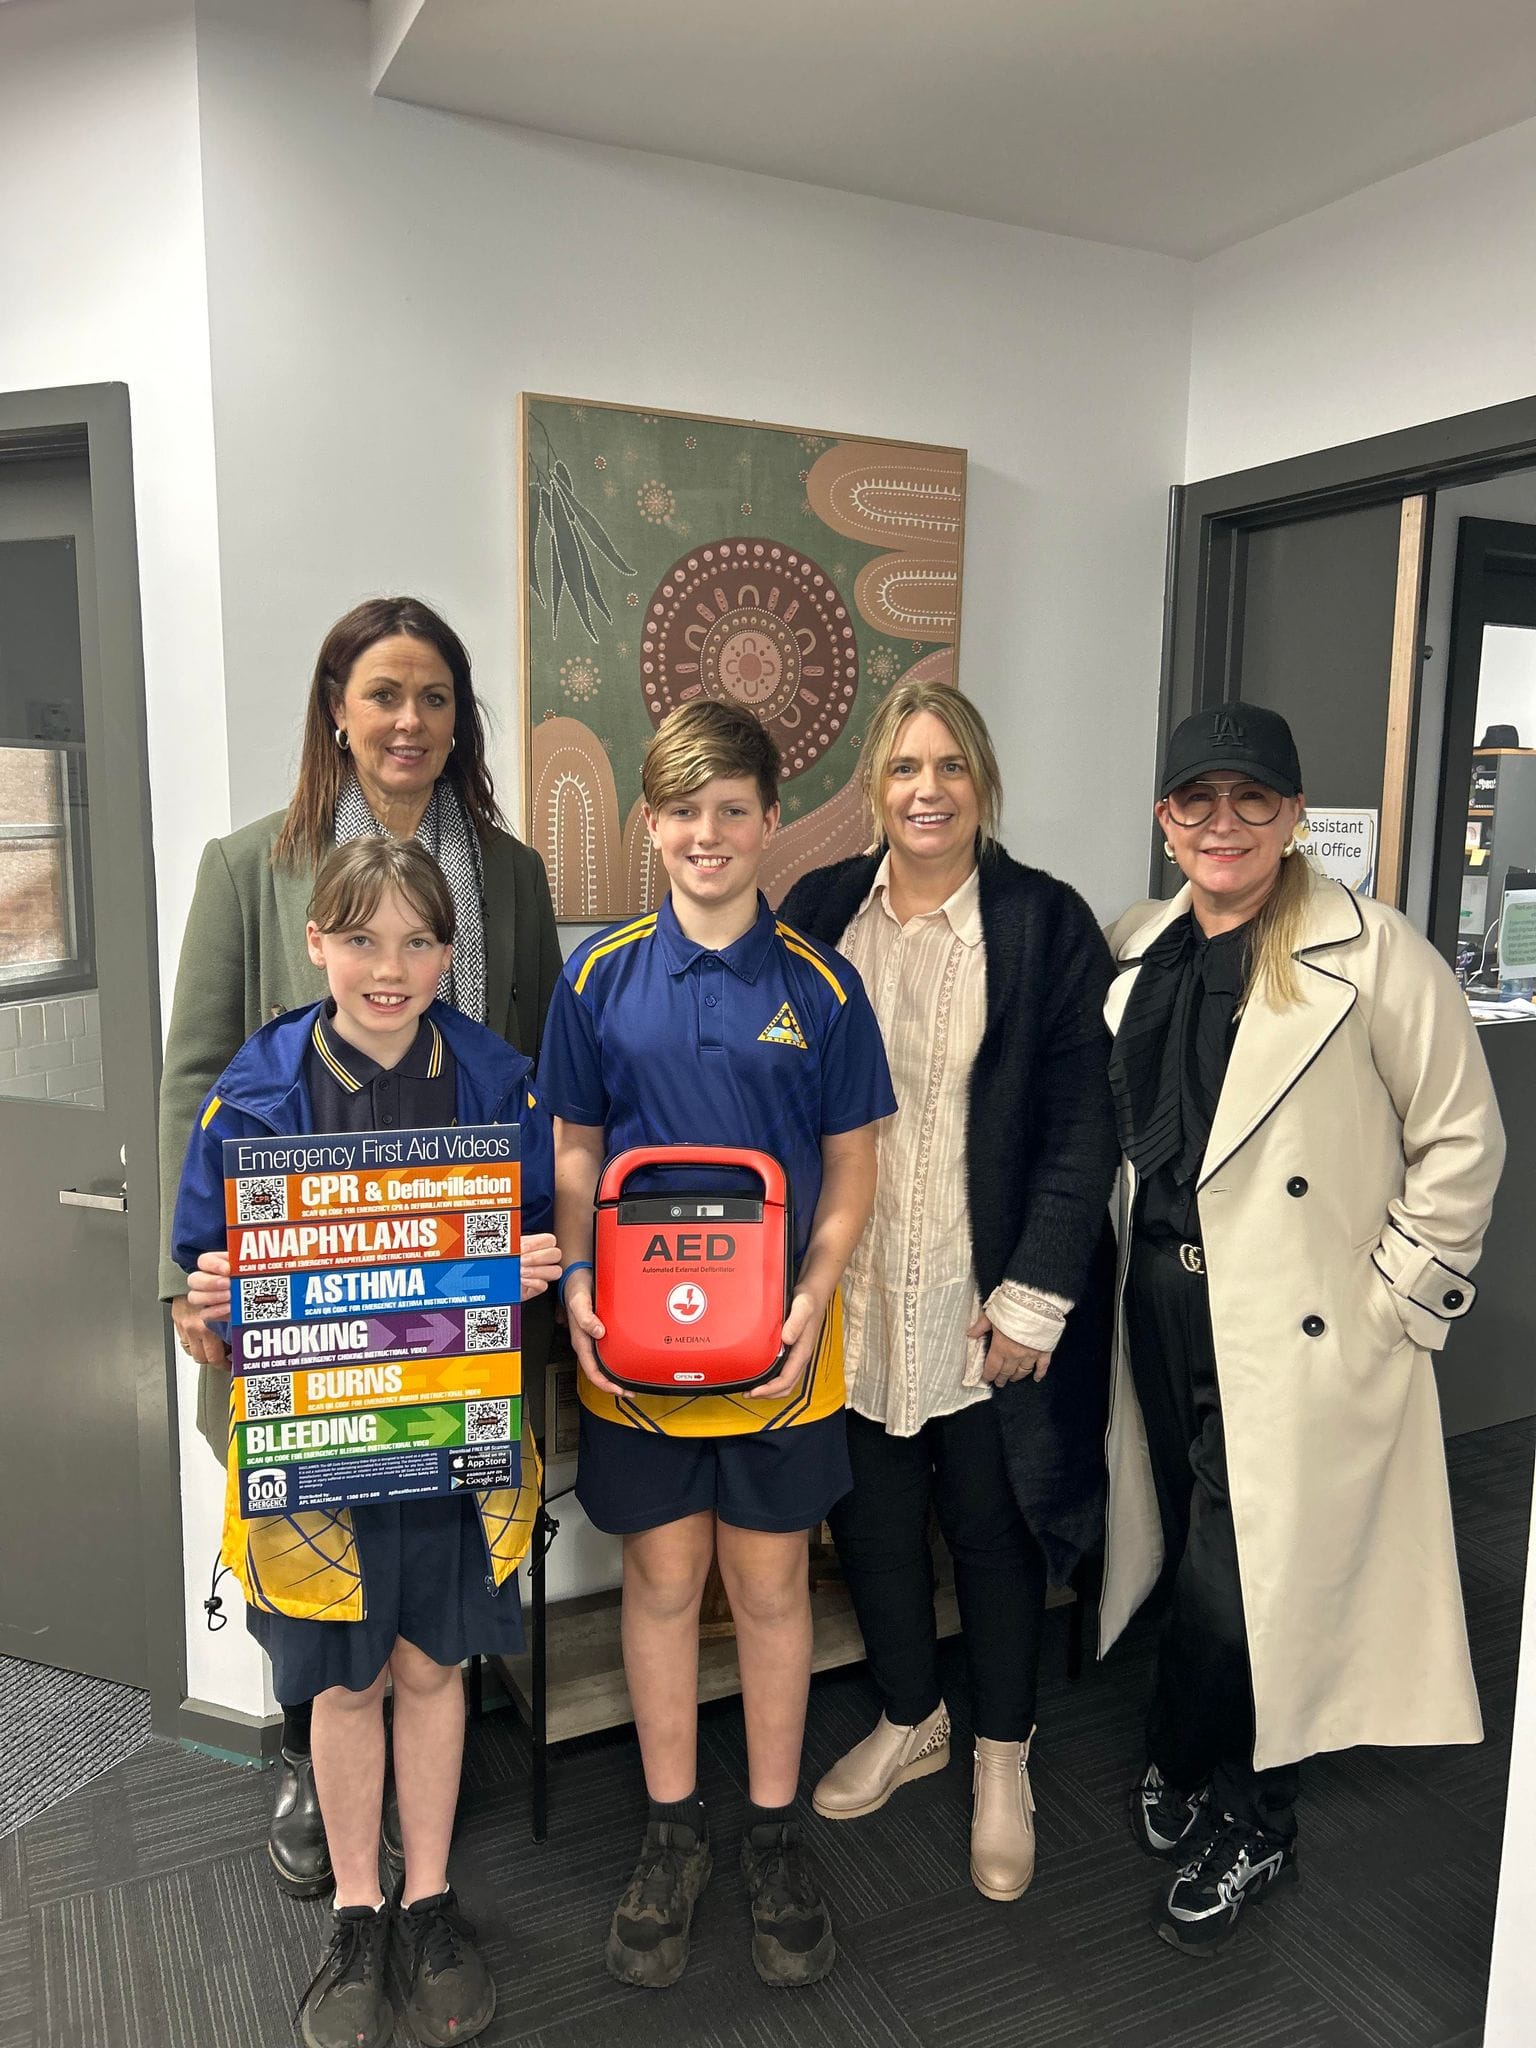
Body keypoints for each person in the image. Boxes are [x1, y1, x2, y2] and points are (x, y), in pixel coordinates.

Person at [158, 596, 562, 1897]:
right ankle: (311, 1764)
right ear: (338, 707)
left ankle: (424, 1795)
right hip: (297, 1324)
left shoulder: (507, 873)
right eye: (383, 692)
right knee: (311, 1574)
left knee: (439, 1577)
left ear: (459, 722)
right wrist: (194, 1280)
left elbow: (536, 1076)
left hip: (449, 1324)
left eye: (434, 697)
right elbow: (196, 1085)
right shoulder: (248, 866)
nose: (408, 720)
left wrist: (536, 1250)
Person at [1101, 702, 1504, 1955]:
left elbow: (1463, 1141)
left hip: (1303, 1328)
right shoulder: (1137, 944)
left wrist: (1396, 1304)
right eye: (1196, 800)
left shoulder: (1381, 955)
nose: (1224, 823)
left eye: (1253, 800)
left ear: (1291, 813)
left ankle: (1253, 1808)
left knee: (1243, 1579)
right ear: (1165, 818)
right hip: (1160, 1302)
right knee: (1187, 1541)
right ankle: (1190, 1743)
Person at [539, 699, 896, 1990]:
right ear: (651, 821)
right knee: (662, 1586)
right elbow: (574, 1144)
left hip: (784, 1352)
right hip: (632, 1351)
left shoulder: (820, 985)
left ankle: (773, 1829)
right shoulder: (597, 977)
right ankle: (673, 1827)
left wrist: (819, 1289)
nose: (708, 834)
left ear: (772, 822)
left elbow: (853, 1169)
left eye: (732, 810)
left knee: (773, 1590)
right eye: (684, 810)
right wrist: (576, 1272)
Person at [778, 682, 1118, 1901]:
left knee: (991, 1529)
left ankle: (1000, 1755)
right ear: (877, 787)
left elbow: (1084, 1122)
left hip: (982, 1299)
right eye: (907, 767)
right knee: (867, 1523)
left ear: (983, 784)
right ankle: (914, 1715)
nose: (928, 790)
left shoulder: (1042, 922)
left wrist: (1035, 1291)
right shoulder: (819, 911)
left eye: (952, 767)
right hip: (854, 1291)